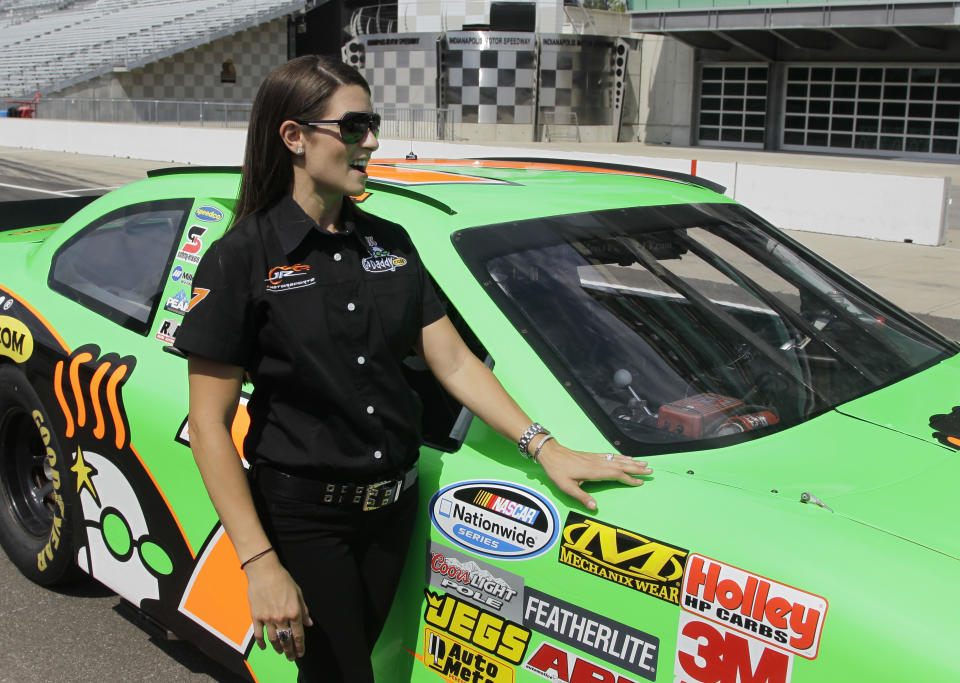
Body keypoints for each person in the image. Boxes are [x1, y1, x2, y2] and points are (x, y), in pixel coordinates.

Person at [173, 54, 652, 682]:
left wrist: (546, 447)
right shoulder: (240, 257)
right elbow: (209, 427)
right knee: (344, 675)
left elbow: (451, 359)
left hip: (394, 506)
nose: (371, 140)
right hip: (304, 515)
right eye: (352, 127)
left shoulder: (392, 241)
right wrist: (259, 563)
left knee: (350, 664)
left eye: (372, 123)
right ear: (294, 137)